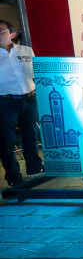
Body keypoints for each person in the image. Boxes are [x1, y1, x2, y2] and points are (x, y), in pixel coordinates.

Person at [0, 20, 44, 187]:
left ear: (12, 34)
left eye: (1, 31)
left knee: (31, 135)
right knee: (7, 140)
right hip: (5, 101)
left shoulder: (25, 51)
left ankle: (35, 167)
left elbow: (35, 71)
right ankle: (13, 175)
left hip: (28, 97)